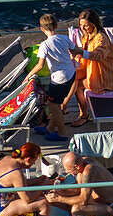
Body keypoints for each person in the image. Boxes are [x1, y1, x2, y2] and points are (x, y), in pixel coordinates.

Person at [22, 14, 75, 142]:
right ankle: (50, 128)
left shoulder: (44, 45)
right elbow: (74, 51)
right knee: (55, 103)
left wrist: (27, 77)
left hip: (59, 79)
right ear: (56, 26)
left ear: (42, 29)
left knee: (53, 105)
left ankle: (62, 133)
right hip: (71, 74)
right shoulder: (64, 38)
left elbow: (40, 65)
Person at [66, 9, 113, 127]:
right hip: (93, 68)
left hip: (105, 74)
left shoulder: (101, 38)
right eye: (81, 25)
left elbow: (99, 56)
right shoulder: (87, 35)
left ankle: (84, 115)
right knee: (71, 76)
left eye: (86, 26)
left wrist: (80, 52)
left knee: (78, 86)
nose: (83, 28)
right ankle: (63, 106)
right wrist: (76, 54)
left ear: (93, 24)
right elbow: (86, 55)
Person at [0, 142, 53, 216]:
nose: (33, 163)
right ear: (28, 159)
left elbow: (19, 183)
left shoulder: (8, 158)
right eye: (34, 160)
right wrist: (43, 187)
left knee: (39, 190)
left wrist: (38, 180)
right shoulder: (15, 173)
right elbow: (27, 199)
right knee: (44, 204)